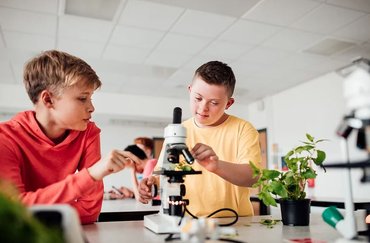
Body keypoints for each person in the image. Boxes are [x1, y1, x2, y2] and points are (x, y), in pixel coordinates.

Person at [0, 50, 137, 224]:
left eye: (90, 98)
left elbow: (90, 210)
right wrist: (91, 175)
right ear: (48, 100)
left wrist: (33, 210)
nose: (91, 107)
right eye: (82, 98)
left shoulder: (88, 132)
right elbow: (13, 213)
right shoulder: (5, 138)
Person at [138, 61, 262, 217]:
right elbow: (161, 174)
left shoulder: (243, 129)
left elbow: (254, 177)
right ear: (190, 91)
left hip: (234, 222)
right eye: (198, 98)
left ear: (228, 103)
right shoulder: (177, 133)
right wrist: (150, 184)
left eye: (214, 103)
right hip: (185, 222)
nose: (203, 108)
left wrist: (217, 166)